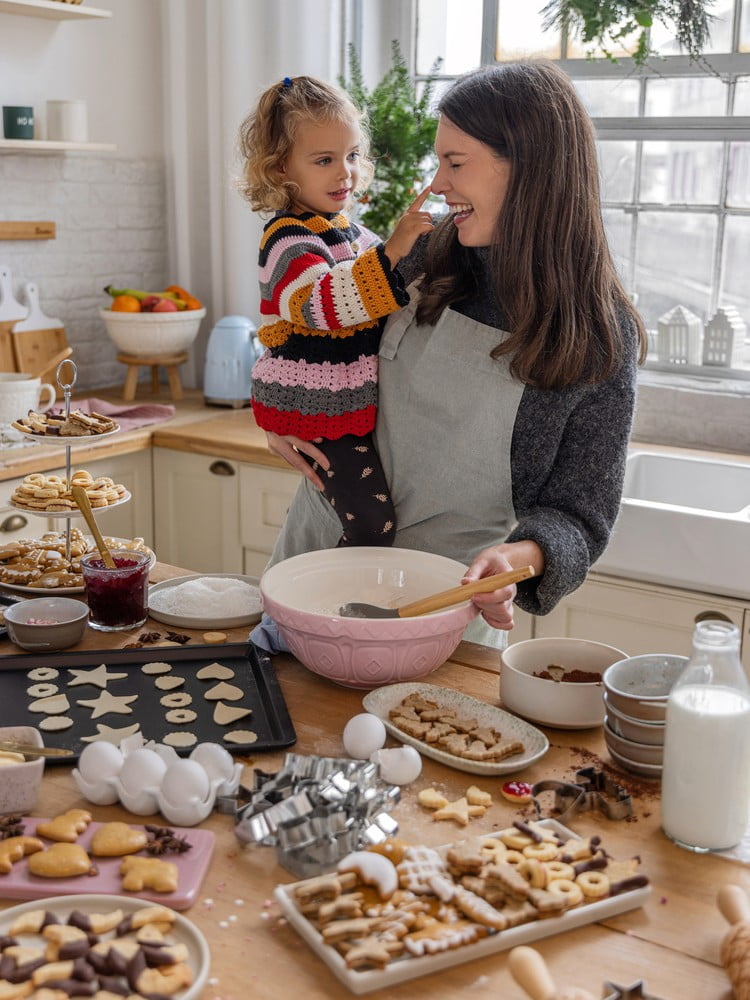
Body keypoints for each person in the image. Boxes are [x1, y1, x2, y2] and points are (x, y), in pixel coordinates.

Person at [261, 61, 648, 644]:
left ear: (530, 169)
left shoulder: (595, 335)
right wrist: (274, 408)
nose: (438, 184)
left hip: (441, 612)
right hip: (309, 570)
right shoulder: (420, 258)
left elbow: (579, 515)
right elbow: (306, 316)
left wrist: (524, 555)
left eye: (455, 163)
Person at [238, 75, 433, 547]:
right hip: (313, 410)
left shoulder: (350, 233)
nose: (343, 172)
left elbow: (392, 282)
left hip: (343, 406)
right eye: (324, 160)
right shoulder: (286, 238)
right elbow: (324, 304)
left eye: (350, 156)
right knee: (372, 525)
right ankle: (341, 611)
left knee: (369, 519)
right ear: (281, 166)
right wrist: (394, 251)